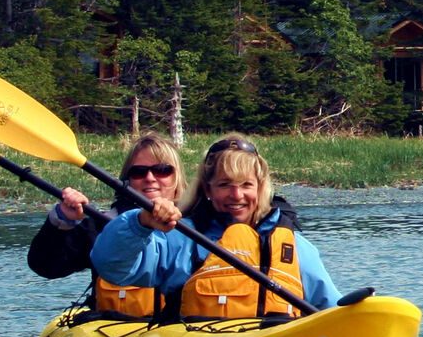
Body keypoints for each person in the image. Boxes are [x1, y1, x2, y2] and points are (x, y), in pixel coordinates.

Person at [90, 134, 341, 319]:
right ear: (208, 189)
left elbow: (330, 304)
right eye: (224, 185)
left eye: (246, 185)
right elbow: (112, 266)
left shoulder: (293, 246)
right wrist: (140, 223)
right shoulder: (181, 238)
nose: (236, 195)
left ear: (261, 189)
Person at [27, 133, 188, 319]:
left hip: (179, 331)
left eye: (162, 170)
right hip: (112, 329)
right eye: (139, 172)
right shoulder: (102, 225)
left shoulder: (196, 227)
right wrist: (63, 222)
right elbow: (46, 267)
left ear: (177, 179)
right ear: (127, 181)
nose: (150, 178)